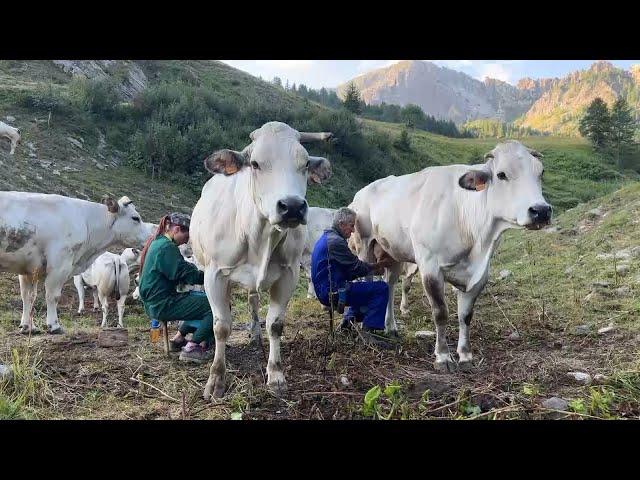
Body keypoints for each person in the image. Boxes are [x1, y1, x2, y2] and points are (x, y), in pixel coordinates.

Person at [138, 213, 214, 364]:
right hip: (162, 305)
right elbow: (186, 273)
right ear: (177, 229)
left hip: (153, 302)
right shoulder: (167, 248)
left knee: (198, 300)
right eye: (186, 238)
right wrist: (211, 277)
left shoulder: (157, 242)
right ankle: (193, 347)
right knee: (214, 306)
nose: (185, 243)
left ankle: (179, 338)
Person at [311, 207, 394, 336]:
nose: (353, 230)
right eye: (351, 226)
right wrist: (379, 265)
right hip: (332, 291)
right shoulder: (336, 242)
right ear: (341, 224)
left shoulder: (327, 238)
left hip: (327, 288)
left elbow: (348, 270)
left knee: (361, 290)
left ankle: (348, 322)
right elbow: (357, 268)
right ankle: (370, 331)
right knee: (381, 288)